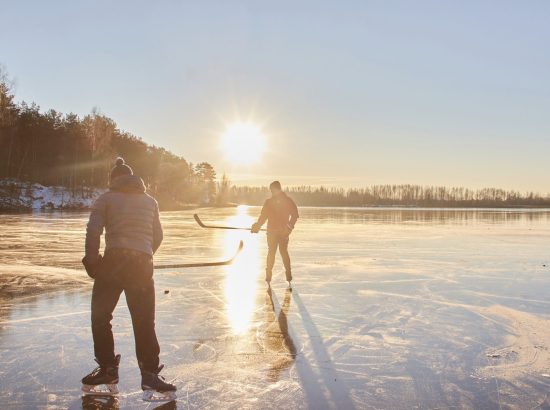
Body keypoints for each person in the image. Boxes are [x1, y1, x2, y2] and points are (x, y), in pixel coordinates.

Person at [81, 157, 176, 402]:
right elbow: (158, 236)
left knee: (100, 317)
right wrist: (144, 253)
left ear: (113, 179)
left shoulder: (106, 198)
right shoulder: (150, 201)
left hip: (113, 262)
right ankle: (150, 374)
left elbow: (93, 231)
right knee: (144, 321)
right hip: (142, 265)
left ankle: (108, 369)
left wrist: (92, 262)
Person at [251, 181, 299, 287]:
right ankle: (268, 275)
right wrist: (257, 226)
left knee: (283, 252)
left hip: (283, 233)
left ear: (278, 189)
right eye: (271, 190)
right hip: (272, 232)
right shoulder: (269, 202)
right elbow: (263, 216)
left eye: (272, 189)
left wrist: (289, 227)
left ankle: (288, 275)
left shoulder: (287, 201)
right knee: (271, 252)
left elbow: (295, 215)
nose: (271, 191)